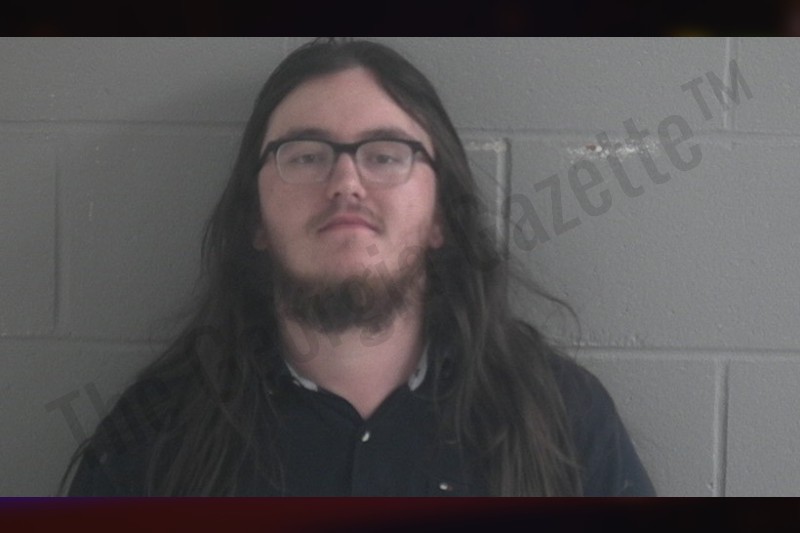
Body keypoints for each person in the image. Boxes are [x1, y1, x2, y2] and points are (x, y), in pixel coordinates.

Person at [63, 38, 655, 497]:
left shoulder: (562, 420)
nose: (346, 182)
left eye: (386, 156)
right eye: (305, 156)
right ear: (255, 220)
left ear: (440, 217)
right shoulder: (155, 435)